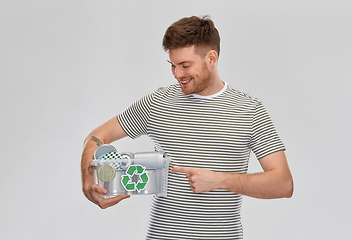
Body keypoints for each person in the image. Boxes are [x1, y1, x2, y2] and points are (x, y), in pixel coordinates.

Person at [81, 15, 293, 239]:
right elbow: (97, 136)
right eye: (172, 65)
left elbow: (283, 184)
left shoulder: (249, 110)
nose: (177, 74)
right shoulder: (157, 103)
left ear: (211, 58)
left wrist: (220, 180)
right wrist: (87, 179)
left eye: (185, 65)